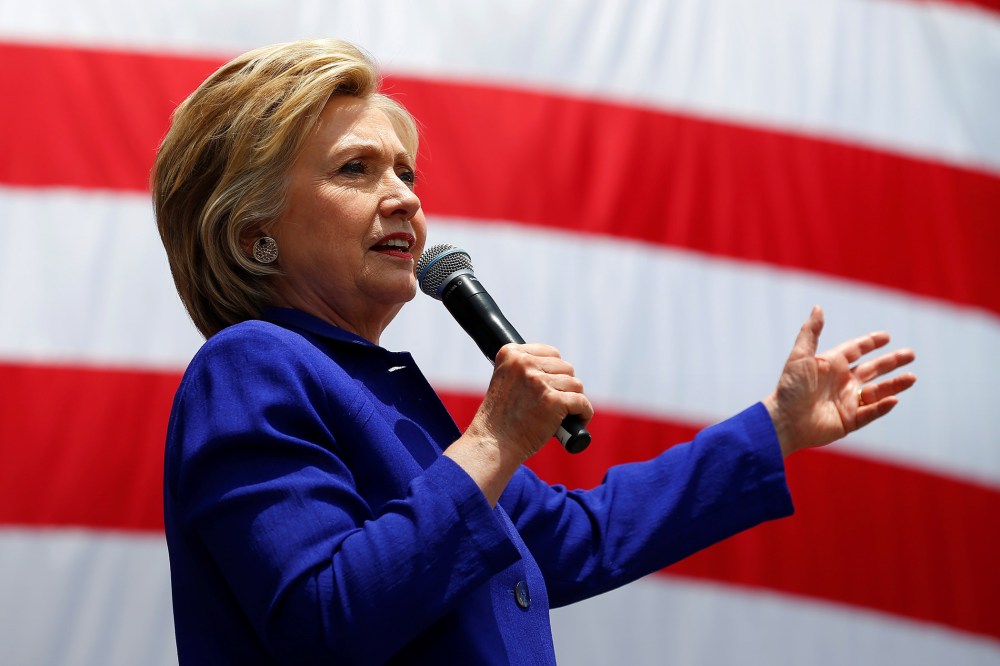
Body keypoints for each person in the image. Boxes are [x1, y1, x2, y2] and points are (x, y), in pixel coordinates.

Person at [152, 39, 916, 665]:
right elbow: (323, 621)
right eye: (357, 169)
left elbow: (580, 538)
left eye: (406, 172)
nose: (407, 199)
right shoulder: (249, 366)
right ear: (255, 233)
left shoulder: (386, 402)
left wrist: (774, 429)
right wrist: (492, 440)